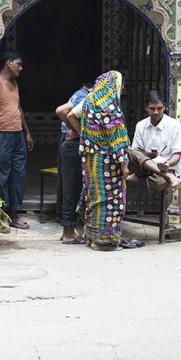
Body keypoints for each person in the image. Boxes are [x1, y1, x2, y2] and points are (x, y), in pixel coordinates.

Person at [66, 71, 131, 251]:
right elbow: (117, 139)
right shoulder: (110, 107)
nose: (122, 88)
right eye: (121, 85)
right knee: (109, 199)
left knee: (93, 197)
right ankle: (101, 240)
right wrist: (124, 166)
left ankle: (90, 237)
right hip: (108, 161)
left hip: (90, 159)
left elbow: (70, 115)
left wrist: (86, 136)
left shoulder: (89, 101)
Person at [0, 48, 33, 231]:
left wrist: (27, 132)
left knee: (18, 175)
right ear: (8, 63)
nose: (21, 68)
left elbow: (18, 108)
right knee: (1, 176)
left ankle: (14, 214)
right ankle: (1, 215)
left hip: (17, 134)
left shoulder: (15, 83)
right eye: (19, 64)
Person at [126, 90, 181, 192]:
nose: (156, 112)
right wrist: (147, 154)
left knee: (158, 183)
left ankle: (136, 178)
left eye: (159, 108)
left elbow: (177, 155)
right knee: (133, 152)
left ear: (165, 107)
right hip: (146, 167)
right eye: (152, 109)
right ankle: (169, 177)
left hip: (168, 168)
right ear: (146, 108)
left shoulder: (174, 125)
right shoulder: (141, 125)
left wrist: (167, 164)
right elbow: (136, 153)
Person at [54, 83, 91, 244]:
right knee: (72, 190)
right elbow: (61, 111)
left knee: (66, 189)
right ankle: (68, 232)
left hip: (66, 147)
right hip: (72, 148)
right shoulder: (85, 96)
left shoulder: (78, 94)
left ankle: (67, 230)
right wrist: (80, 132)